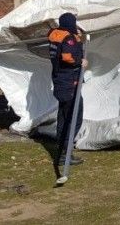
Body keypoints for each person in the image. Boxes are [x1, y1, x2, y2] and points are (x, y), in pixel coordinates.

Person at [48, 12, 87, 166]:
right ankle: (66, 153)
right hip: (70, 82)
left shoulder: (55, 34)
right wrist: (80, 62)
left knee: (63, 118)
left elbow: (65, 46)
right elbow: (67, 56)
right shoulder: (68, 38)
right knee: (74, 118)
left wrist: (77, 37)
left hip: (60, 81)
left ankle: (61, 150)